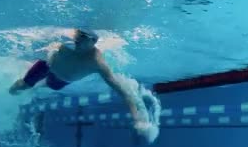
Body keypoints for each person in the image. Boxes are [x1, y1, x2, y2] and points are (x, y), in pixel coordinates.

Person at [9, 28, 146, 131]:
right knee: (23, 85)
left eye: (83, 36)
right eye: (78, 34)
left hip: (61, 80)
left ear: (93, 41)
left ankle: (35, 86)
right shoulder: (67, 44)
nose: (77, 38)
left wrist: (136, 118)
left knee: (45, 86)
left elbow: (122, 92)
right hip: (47, 66)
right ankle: (8, 95)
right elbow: (48, 45)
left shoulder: (97, 63)